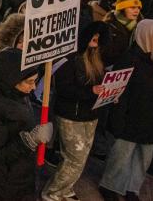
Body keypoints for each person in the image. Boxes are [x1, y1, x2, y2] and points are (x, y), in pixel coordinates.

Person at [99, 20, 153, 201]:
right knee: (121, 157)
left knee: (143, 159)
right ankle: (110, 187)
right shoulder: (129, 60)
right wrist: (118, 121)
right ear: (146, 35)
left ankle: (132, 189)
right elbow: (119, 94)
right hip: (131, 119)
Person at [41, 22, 109, 201]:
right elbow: (64, 90)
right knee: (74, 158)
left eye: (99, 36)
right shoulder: (69, 59)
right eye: (93, 35)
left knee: (81, 158)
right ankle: (52, 192)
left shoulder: (95, 58)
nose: (97, 38)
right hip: (72, 116)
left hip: (89, 115)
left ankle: (66, 189)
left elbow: (98, 86)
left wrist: (108, 93)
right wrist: (91, 92)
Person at [0, 48, 52, 201]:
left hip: (19, 175)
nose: (34, 87)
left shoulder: (17, 93)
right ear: (11, 79)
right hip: (1, 183)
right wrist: (29, 141)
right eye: (29, 82)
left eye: (35, 81)